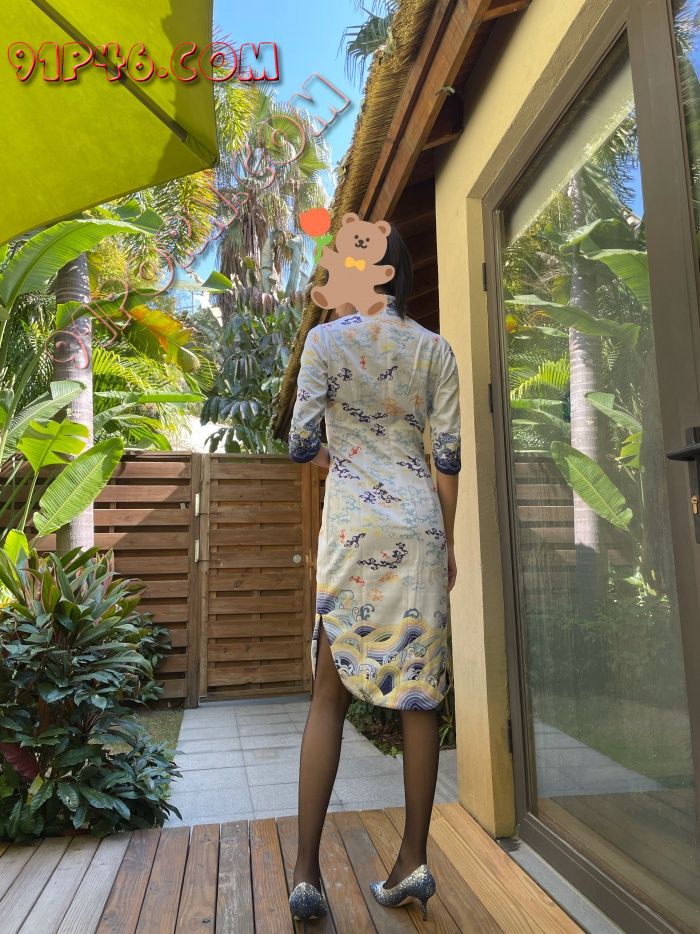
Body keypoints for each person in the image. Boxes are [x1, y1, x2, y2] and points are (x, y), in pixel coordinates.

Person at [286, 225, 460, 923]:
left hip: (353, 531)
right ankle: (413, 859)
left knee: (328, 696)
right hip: (419, 529)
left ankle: (305, 874)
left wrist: (347, 458)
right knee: (420, 695)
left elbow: (302, 443)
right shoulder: (435, 349)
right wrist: (448, 543)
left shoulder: (324, 344)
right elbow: (447, 459)